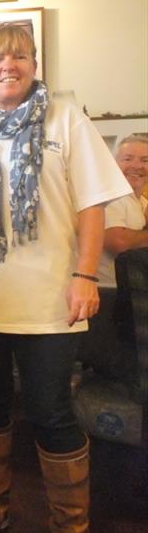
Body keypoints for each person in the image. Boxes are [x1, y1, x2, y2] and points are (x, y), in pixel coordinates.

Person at [0, 24, 131, 532]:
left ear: (34, 64)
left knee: (51, 411)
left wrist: (85, 275)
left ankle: (70, 522)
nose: (7, 66)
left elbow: (92, 207)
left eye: (19, 57)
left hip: (52, 300)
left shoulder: (66, 120)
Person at [81, 134, 148, 381]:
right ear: (114, 162)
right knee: (116, 373)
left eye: (145, 159)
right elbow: (118, 242)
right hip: (106, 297)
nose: (137, 165)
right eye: (128, 158)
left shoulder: (137, 200)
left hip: (129, 295)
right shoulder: (111, 197)